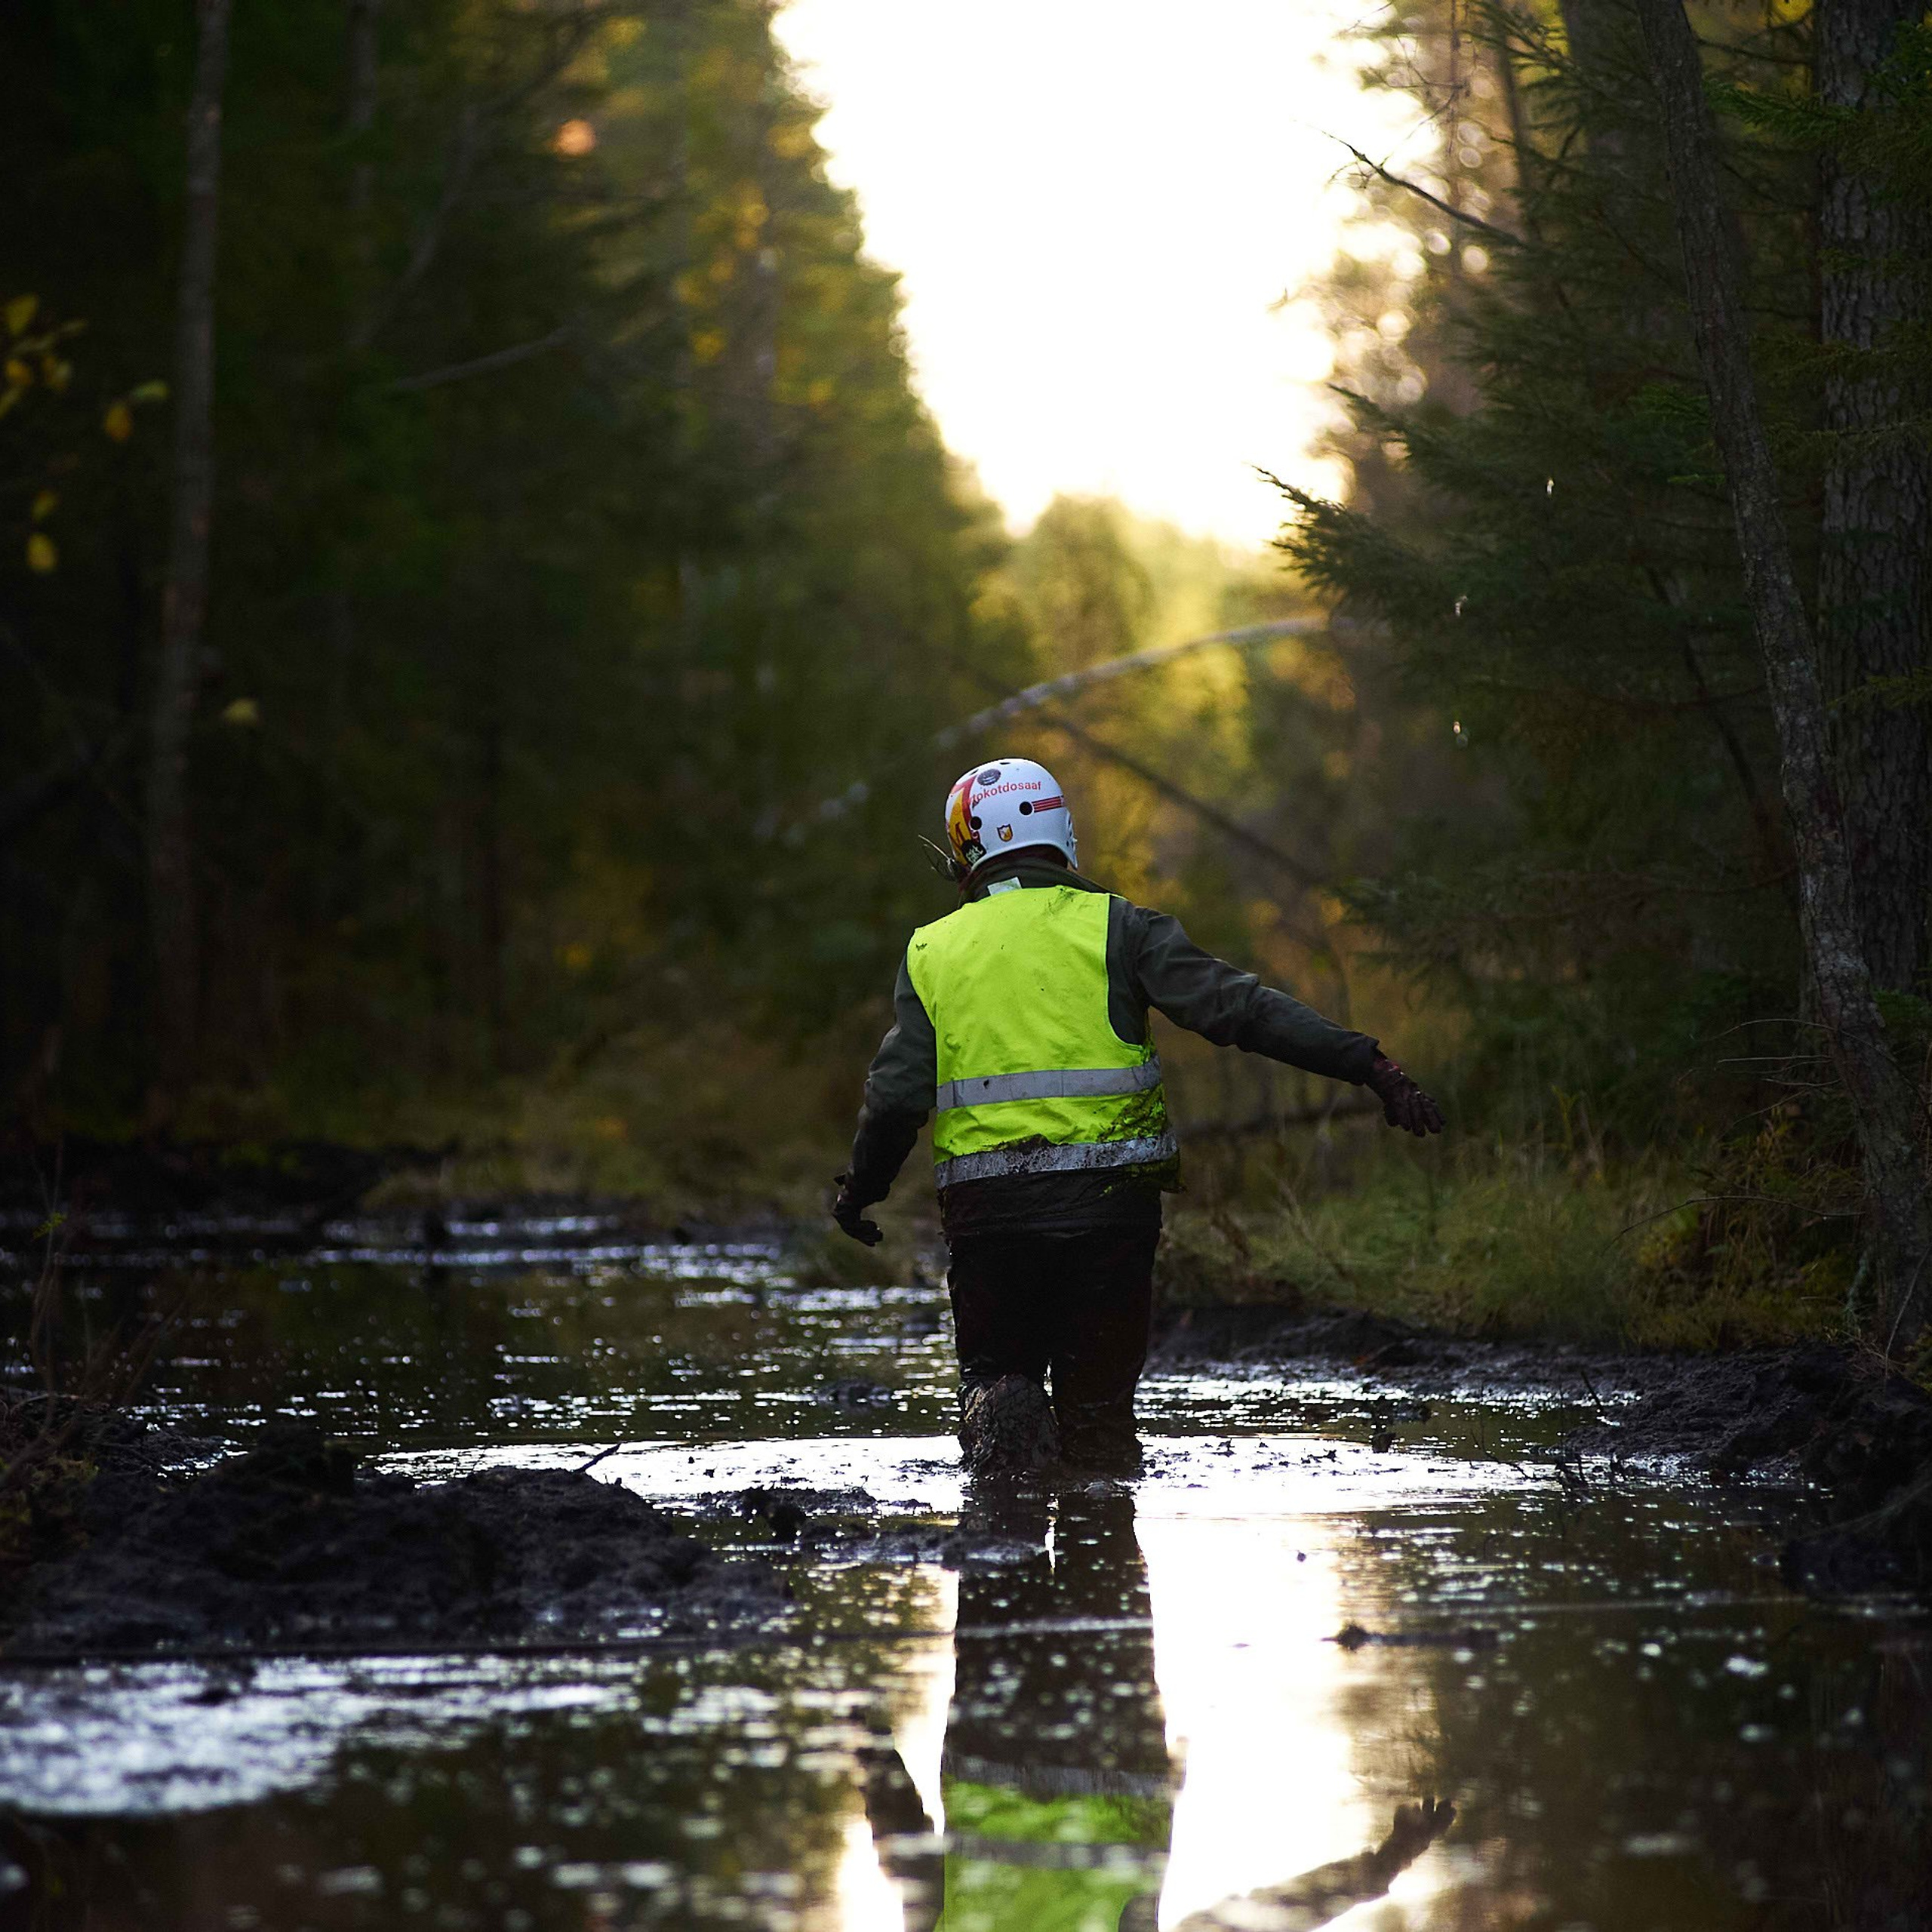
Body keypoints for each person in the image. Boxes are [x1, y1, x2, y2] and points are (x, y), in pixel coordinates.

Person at [832, 757, 1442, 1474]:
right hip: (1112, 1213)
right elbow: (1242, 1010)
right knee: (1100, 1425)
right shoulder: (1120, 926)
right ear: (1061, 834)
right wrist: (1368, 1064)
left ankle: (1001, 1458)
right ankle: (1101, 1519)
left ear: (968, 849)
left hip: (990, 1216)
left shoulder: (933, 949)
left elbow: (896, 1096)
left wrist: (862, 1190)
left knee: (996, 1383)